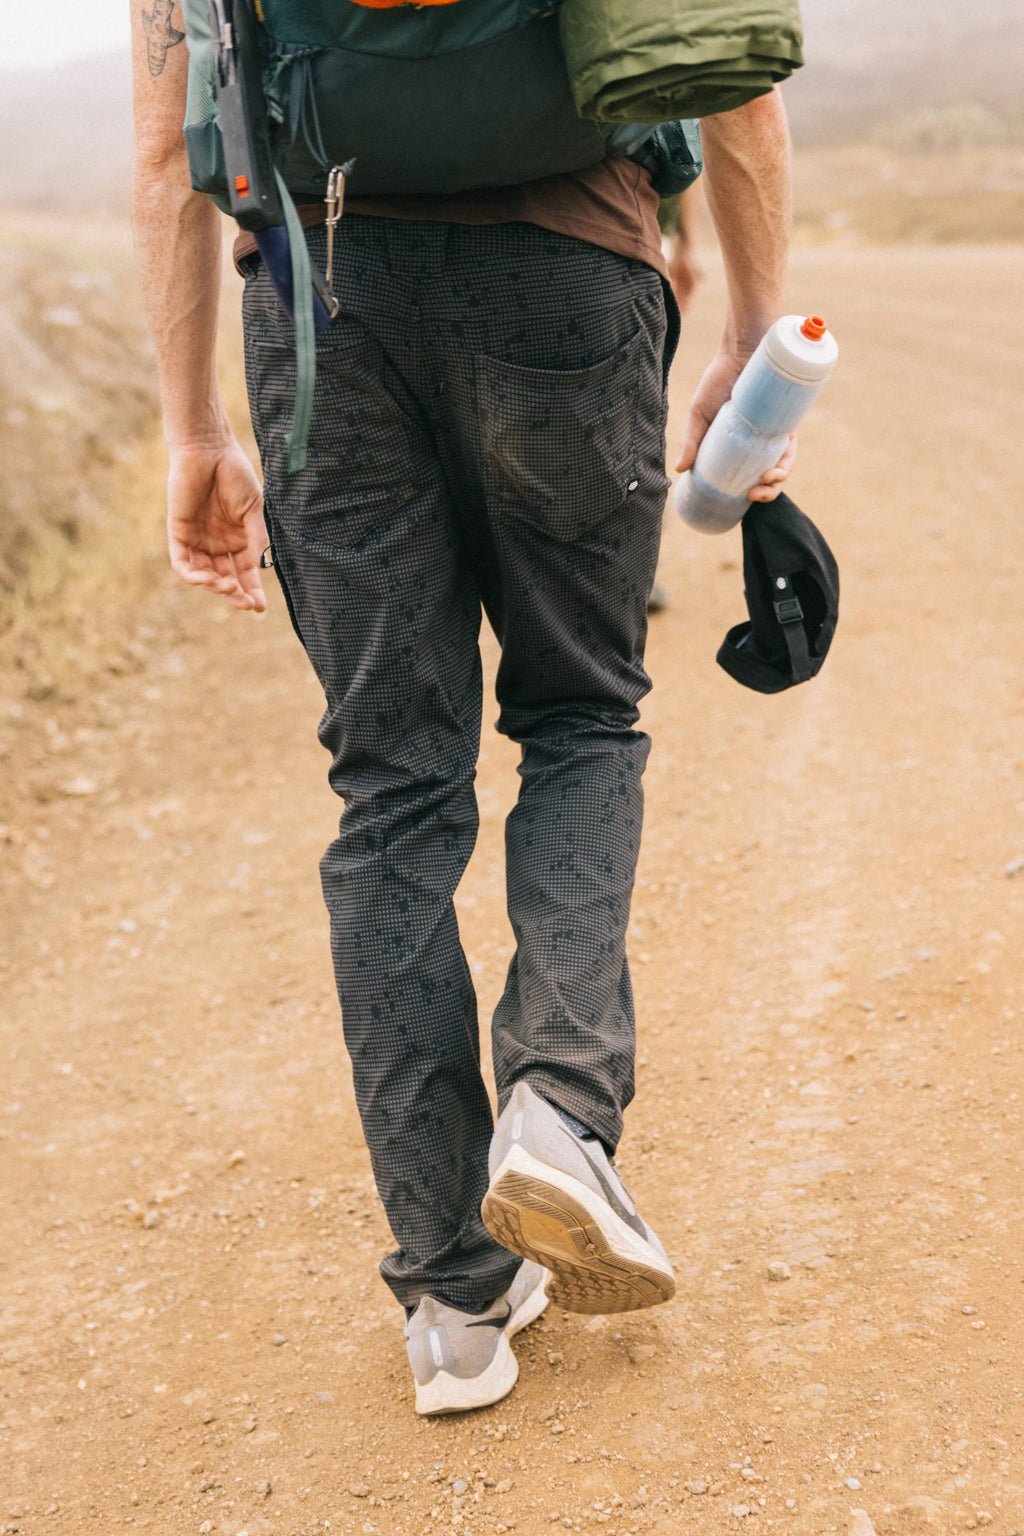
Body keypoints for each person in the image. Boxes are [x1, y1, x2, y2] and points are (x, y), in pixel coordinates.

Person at [131, 1, 796, 1416]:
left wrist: (193, 426)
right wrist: (752, 338)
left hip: (323, 300)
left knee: (394, 785)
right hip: (570, 271)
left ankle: (449, 1292)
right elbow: (729, 72)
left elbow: (162, 146)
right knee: (579, 719)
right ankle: (557, 1109)